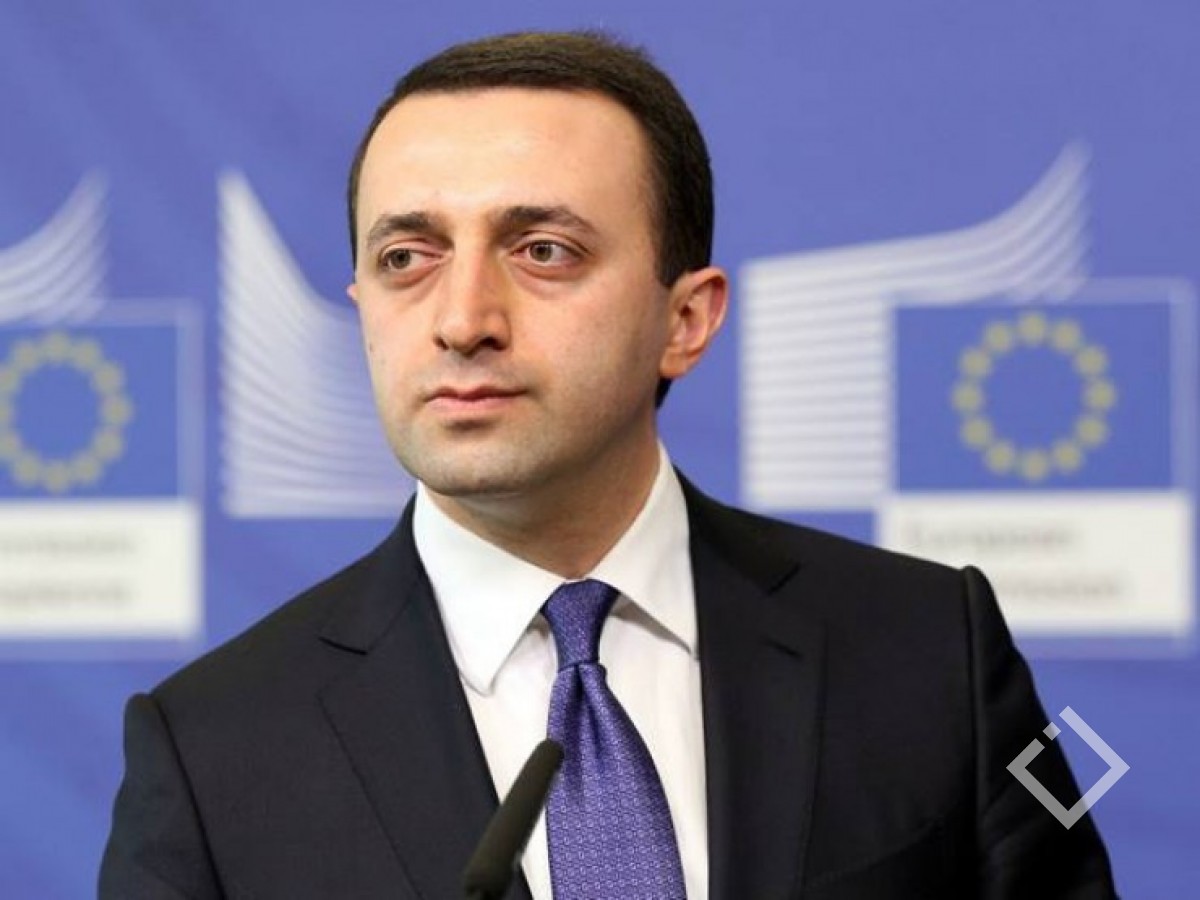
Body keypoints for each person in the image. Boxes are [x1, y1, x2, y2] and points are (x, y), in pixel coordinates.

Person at [100, 30, 1118, 899]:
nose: (461, 320)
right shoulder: (210, 753)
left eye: (542, 250)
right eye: (407, 258)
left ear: (686, 320)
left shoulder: (931, 653)